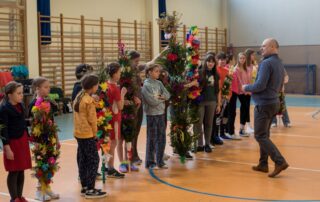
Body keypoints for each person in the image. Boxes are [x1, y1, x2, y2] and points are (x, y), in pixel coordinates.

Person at [242, 38, 289, 178]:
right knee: (265, 135)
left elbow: (260, 85)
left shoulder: (266, 63)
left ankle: (280, 161)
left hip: (264, 104)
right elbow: (281, 84)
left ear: (273, 47)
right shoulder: (279, 63)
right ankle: (263, 164)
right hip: (274, 102)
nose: (261, 48)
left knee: (260, 135)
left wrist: (246, 87)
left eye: (264, 46)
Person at [73, 74, 107, 198]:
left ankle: (85, 186)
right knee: (93, 160)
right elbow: (92, 119)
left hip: (78, 133)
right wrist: (94, 135)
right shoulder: (88, 100)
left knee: (83, 159)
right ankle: (91, 189)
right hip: (87, 134)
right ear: (93, 87)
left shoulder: (79, 96)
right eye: (97, 85)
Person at [29, 77, 60, 201]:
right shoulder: (33, 105)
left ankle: (46, 188)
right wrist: (35, 142)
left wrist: (57, 139)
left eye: (49, 87)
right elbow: (32, 125)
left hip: (50, 138)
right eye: (45, 87)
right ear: (37, 89)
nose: (48, 89)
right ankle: (39, 190)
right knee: (41, 164)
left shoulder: (49, 102)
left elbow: (53, 122)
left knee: (50, 163)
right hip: (39, 140)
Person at [0, 81, 32, 202]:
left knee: (21, 169)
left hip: (22, 140)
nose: (21, 95)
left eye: (21, 93)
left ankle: (20, 196)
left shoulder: (21, 105)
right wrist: (7, 148)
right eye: (18, 93)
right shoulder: (4, 109)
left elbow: (23, 123)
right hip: (12, 143)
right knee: (13, 171)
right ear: (9, 95)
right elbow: (3, 130)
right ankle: (14, 199)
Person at [142, 64, 170, 169]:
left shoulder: (159, 83)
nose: (158, 73)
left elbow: (167, 95)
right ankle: (150, 162)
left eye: (159, 71)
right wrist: (161, 99)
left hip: (160, 114)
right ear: (149, 72)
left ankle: (160, 161)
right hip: (152, 115)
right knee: (152, 139)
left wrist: (161, 98)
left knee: (161, 138)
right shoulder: (146, 85)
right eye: (156, 71)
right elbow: (152, 101)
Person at [194, 54, 221, 153]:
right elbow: (194, 87)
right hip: (200, 102)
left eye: (212, 62)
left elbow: (218, 90)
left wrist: (218, 104)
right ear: (205, 62)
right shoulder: (200, 73)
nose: (210, 63)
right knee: (198, 123)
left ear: (215, 63)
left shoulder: (216, 75)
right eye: (209, 61)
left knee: (209, 123)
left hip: (212, 101)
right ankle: (199, 144)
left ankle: (207, 144)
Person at [105, 63, 127, 177]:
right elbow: (120, 106)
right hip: (114, 119)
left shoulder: (105, 85)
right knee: (113, 143)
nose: (120, 74)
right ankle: (110, 168)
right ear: (114, 74)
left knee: (107, 143)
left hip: (107, 118)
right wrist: (122, 94)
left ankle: (106, 166)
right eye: (119, 72)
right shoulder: (115, 88)